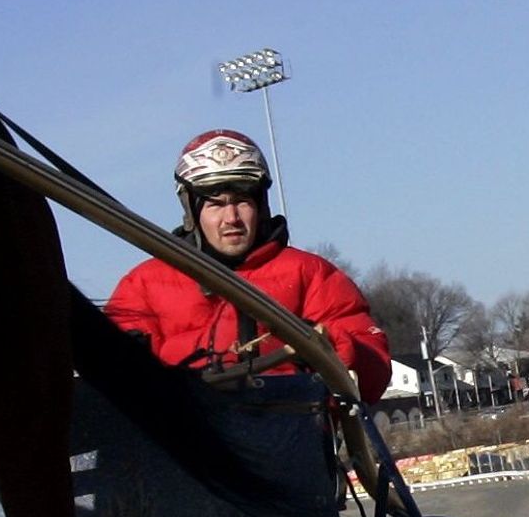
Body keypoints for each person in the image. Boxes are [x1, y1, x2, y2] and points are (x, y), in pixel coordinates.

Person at [103, 129, 393, 395]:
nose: (231, 218)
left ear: (261, 206)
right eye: (216, 204)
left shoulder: (311, 273)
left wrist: (333, 350)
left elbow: (373, 372)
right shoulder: (143, 285)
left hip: (290, 436)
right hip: (186, 439)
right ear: (191, 211)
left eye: (242, 201)